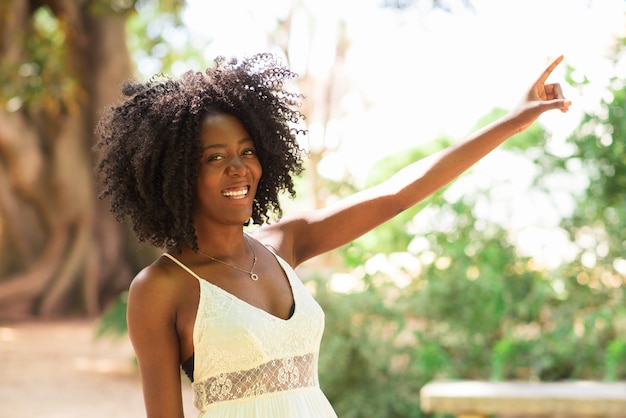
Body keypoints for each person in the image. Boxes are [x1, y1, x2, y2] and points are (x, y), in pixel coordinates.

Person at [94, 52, 570, 418]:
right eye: (214, 158)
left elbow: (397, 193)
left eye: (247, 151)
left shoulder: (286, 244)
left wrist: (517, 119)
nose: (239, 168)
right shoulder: (159, 289)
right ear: (175, 175)